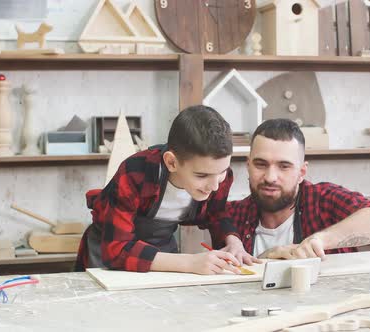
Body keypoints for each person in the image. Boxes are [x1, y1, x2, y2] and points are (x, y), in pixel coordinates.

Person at [76, 105, 257, 274]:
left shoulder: (217, 174)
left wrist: (233, 241)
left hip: (162, 249)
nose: (215, 185)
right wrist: (190, 263)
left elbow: (216, 213)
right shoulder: (135, 173)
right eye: (201, 176)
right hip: (109, 250)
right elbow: (116, 250)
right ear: (171, 162)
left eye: (222, 172)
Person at [228, 119, 370, 259]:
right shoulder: (231, 216)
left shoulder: (323, 201)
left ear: (302, 172)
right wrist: (266, 258)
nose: (270, 177)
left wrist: (320, 239)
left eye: (284, 166)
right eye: (260, 164)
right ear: (248, 165)